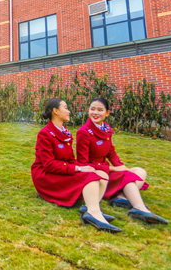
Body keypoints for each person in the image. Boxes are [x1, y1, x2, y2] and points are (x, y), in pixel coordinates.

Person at [32, 98, 121, 233]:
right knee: (90, 178)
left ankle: (91, 208)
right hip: (46, 175)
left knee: (101, 174)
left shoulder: (65, 132)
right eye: (66, 108)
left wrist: (84, 167)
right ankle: (94, 215)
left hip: (61, 168)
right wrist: (78, 169)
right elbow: (49, 165)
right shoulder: (44, 134)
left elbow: (70, 159)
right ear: (56, 111)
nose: (69, 111)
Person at [76, 98, 168, 225]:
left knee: (139, 171)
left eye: (100, 110)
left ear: (107, 113)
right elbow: (83, 163)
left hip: (106, 170)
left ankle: (122, 198)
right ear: (88, 110)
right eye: (92, 109)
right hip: (95, 174)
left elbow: (111, 153)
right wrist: (115, 169)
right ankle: (139, 209)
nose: (95, 113)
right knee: (127, 177)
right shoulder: (84, 132)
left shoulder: (106, 129)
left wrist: (122, 166)